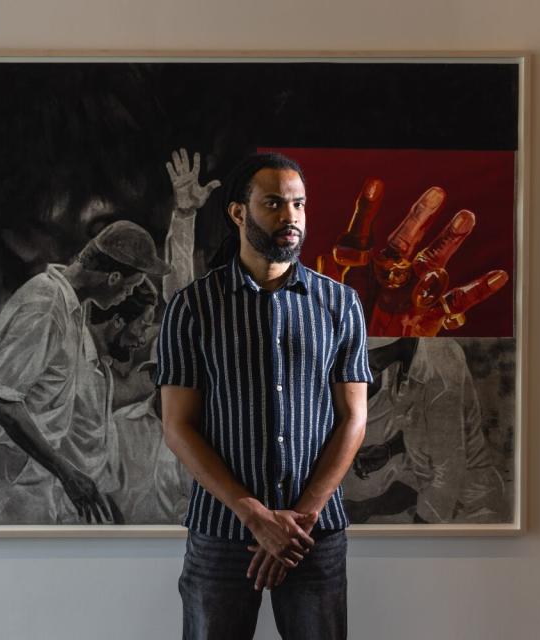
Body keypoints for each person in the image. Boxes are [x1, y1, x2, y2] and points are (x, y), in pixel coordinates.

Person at [156, 153, 372, 640]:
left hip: (312, 536)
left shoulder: (340, 304)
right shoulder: (192, 308)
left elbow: (353, 419)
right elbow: (177, 426)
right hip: (223, 533)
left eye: (299, 204)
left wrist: (298, 521)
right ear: (238, 213)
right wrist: (253, 514)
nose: (291, 217)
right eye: (274, 203)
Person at [0, 220, 170, 525]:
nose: (128, 295)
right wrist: (67, 473)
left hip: (30, 468)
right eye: (131, 286)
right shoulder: (44, 305)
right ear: (113, 277)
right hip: (6, 469)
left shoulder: (69, 307)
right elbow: (2, 401)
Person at [345, 337, 508, 524]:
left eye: (362, 357)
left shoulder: (440, 366)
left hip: (471, 510)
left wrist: (420, 538)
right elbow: (425, 433)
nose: (356, 371)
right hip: (433, 495)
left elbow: (449, 472)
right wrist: (389, 449)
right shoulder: (398, 360)